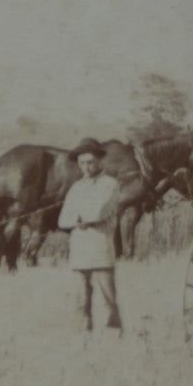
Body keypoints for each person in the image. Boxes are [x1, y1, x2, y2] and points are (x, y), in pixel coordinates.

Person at [57, 138, 123, 333]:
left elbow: (100, 211)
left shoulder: (109, 184)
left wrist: (79, 217)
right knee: (80, 300)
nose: (86, 167)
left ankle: (113, 336)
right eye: (82, 163)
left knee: (107, 299)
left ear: (100, 161)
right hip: (79, 250)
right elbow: (63, 219)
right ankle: (84, 337)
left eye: (90, 162)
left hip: (100, 248)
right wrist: (77, 219)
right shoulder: (76, 188)